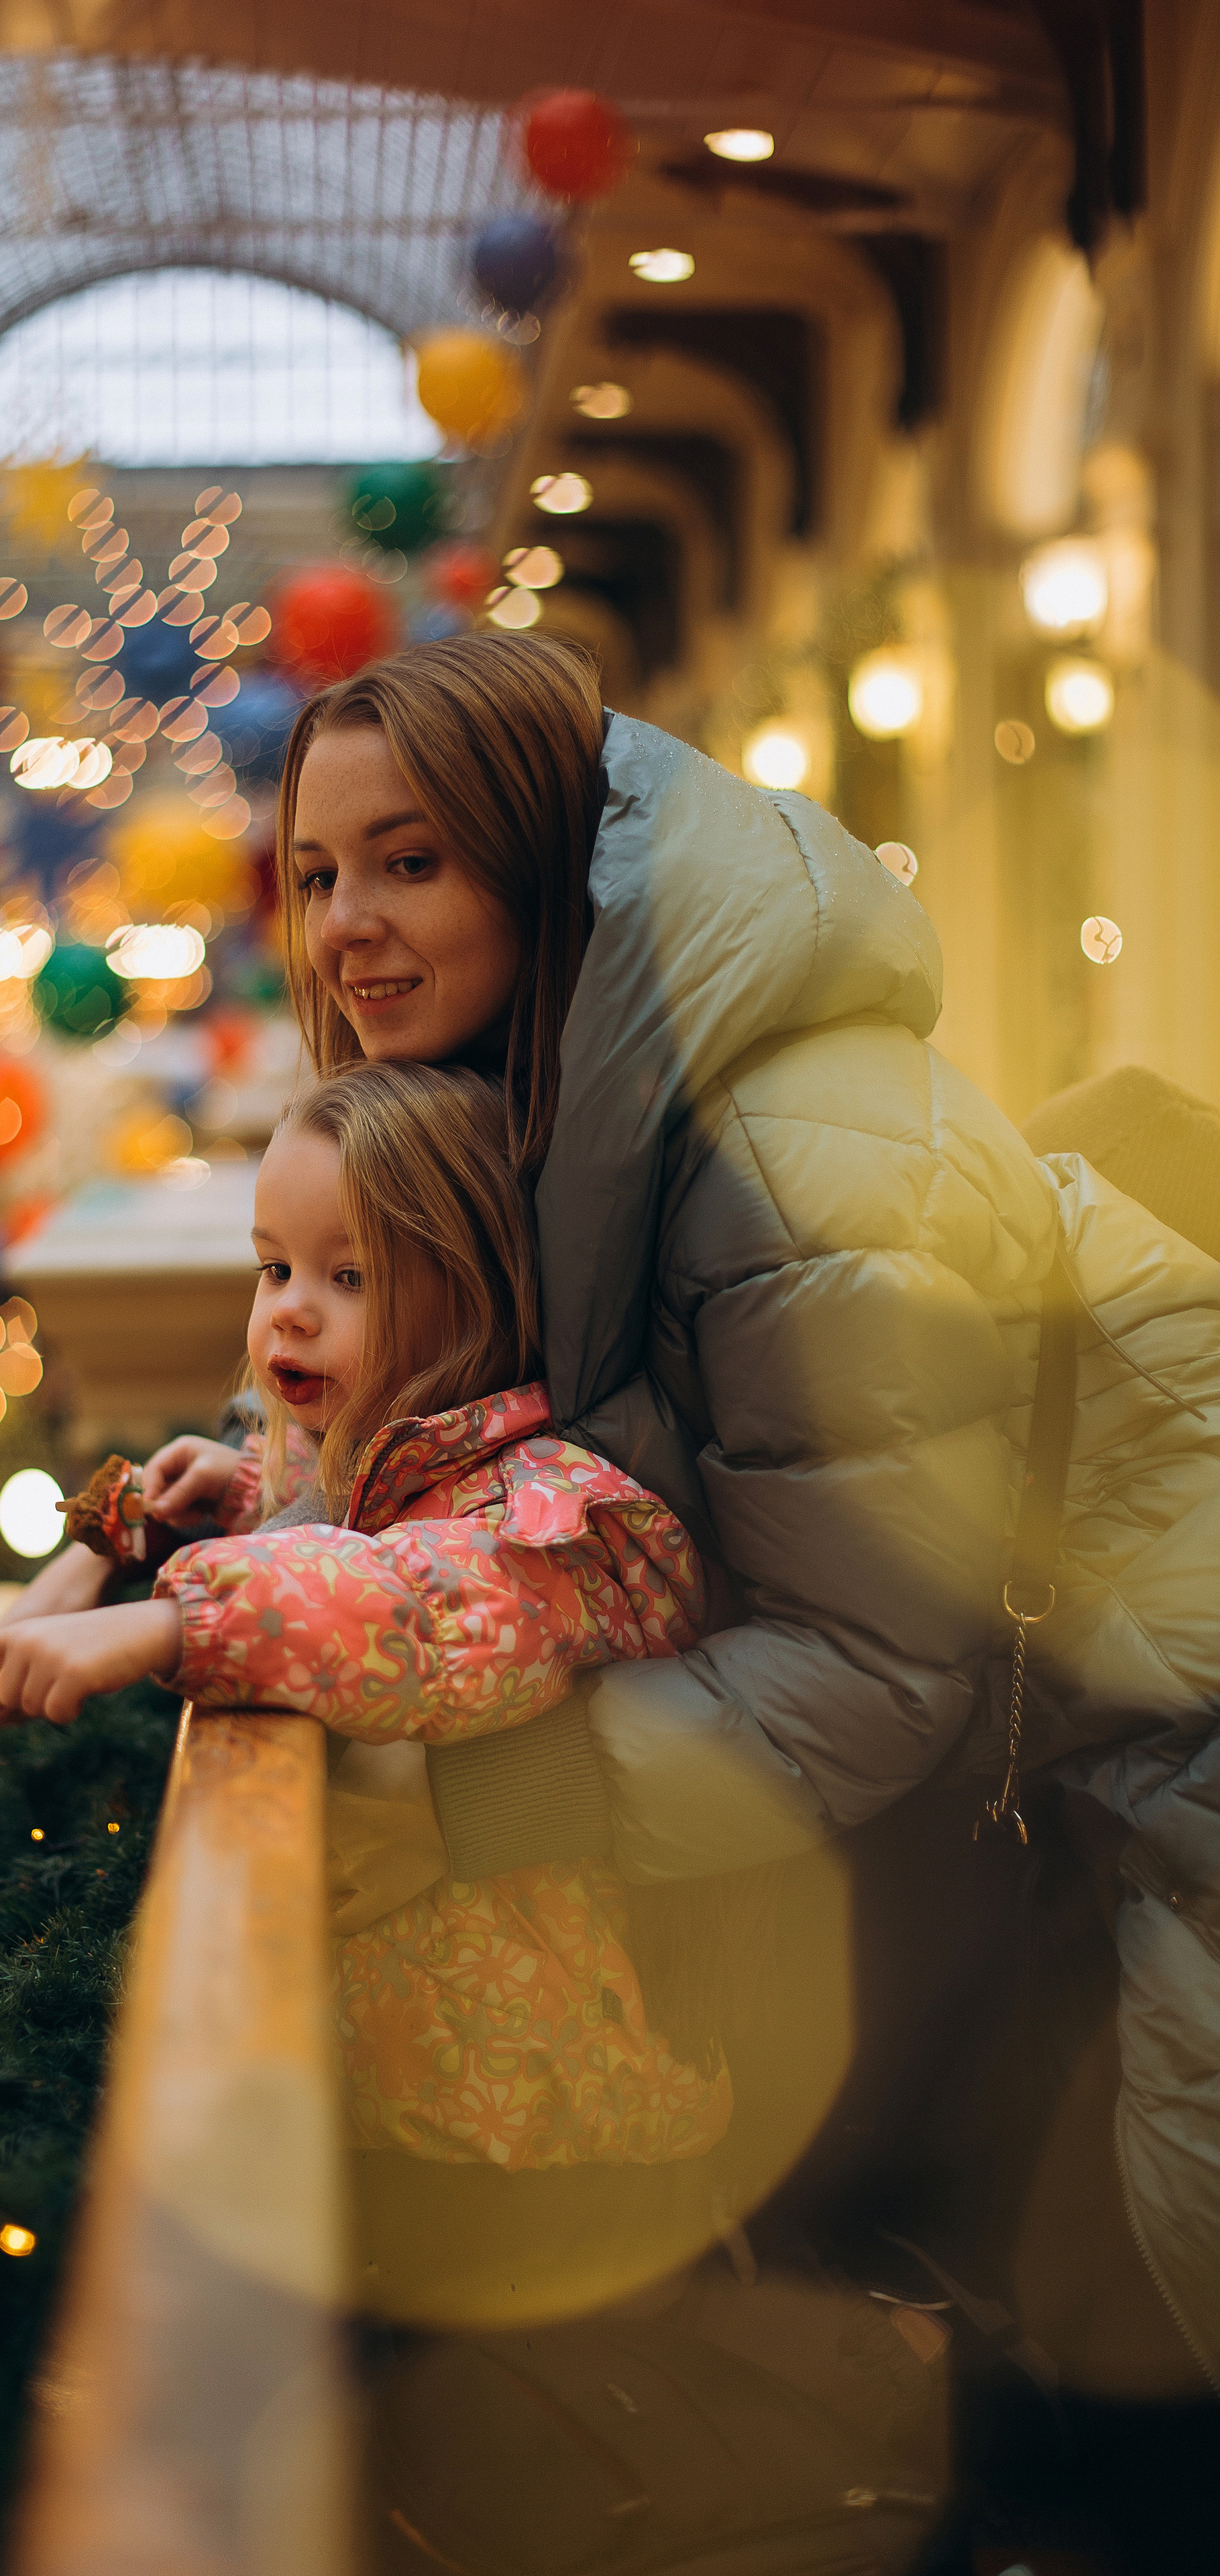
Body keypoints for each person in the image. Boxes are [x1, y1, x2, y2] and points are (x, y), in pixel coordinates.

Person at [255, 631, 1220, 2402]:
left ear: (549, 862)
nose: (345, 926)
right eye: (315, 874)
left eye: (414, 859)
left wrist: (480, 1801)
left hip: (1132, 1780)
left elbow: (869, 1664)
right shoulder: (558, 1099)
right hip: (943, 1803)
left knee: (1077, 2406)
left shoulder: (787, 1149)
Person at [0, 1061, 730, 2188]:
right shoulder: (369, 1463)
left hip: (532, 2141)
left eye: (350, 1275)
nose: (290, 1307)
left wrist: (169, 1625)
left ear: (475, 1293)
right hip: (403, 2097)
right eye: (274, 1266)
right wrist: (226, 1506)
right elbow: (357, 1529)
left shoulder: (547, 1510)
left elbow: (410, 1601)